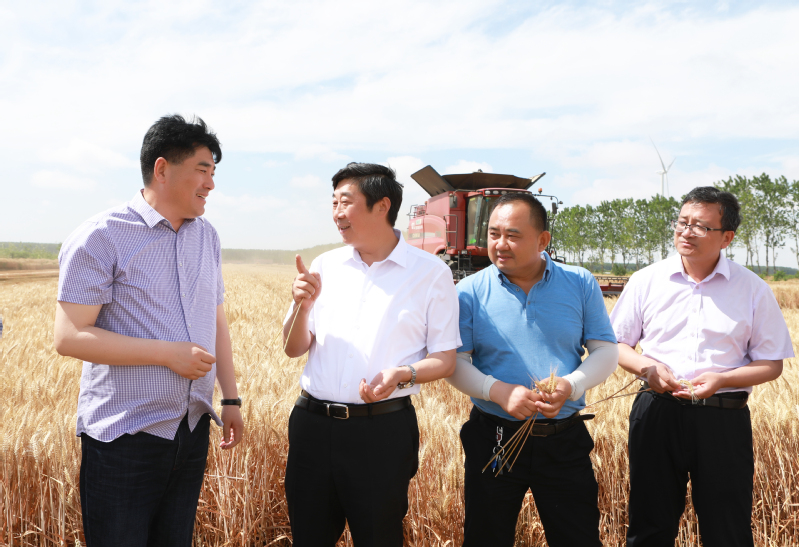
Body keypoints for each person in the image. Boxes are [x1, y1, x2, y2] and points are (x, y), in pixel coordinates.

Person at [53, 114, 244, 547]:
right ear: (162, 169)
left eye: (214, 172)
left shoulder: (207, 237)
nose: (211, 184)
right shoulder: (101, 236)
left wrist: (230, 398)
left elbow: (216, 320)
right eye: (202, 170)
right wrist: (167, 354)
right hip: (125, 439)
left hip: (191, 431)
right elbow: (69, 336)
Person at [282, 162, 460, 547]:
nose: (336, 213)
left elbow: (446, 359)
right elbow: (293, 348)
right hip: (312, 427)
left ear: (382, 206)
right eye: (333, 203)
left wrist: (402, 374)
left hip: (381, 432)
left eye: (345, 202)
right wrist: (301, 306)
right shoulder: (325, 266)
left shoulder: (430, 273)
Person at [610, 186, 793, 547]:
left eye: (701, 226)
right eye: (682, 222)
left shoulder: (753, 289)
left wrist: (721, 379)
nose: (687, 232)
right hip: (657, 413)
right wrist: (647, 369)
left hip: (722, 419)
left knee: (728, 530)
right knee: (649, 526)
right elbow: (616, 345)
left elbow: (771, 364)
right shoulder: (646, 280)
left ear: (727, 237)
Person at [447, 192, 619, 546]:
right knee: (485, 538)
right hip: (495, 438)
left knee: (578, 538)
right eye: (493, 234)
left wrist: (571, 385)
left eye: (512, 235)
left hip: (564, 440)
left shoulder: (579, 282)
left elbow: (605, 350)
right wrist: (498, 391)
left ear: (543, 240)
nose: (500, 244)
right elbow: (455, 363)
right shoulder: (468, 291)